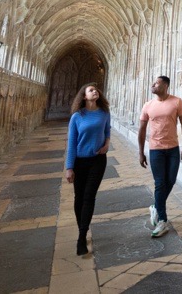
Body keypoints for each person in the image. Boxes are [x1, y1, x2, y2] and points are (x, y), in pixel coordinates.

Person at [138, 75, 182, 237]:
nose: (153, 84)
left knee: (170, 181)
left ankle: (155, 206)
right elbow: (142, 129)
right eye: (153, 82)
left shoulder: (177, 102)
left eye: (157, 83)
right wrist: (141, 152)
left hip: (173, 148)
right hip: (156, 150)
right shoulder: (148, 105)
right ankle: (163, 221)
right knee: (160, 183)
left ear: (165, 86)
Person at [64, 83, 111, 256]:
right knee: (79, 198)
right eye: (91, 90)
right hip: (80, 161)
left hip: (98, 160)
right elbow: (71, 143)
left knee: (89, 196)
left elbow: (107, 131)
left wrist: (107, 144)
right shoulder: (77, 117)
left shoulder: (104, 112)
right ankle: (82, 228)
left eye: (96, 89)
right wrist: (69, 167)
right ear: (84, 96)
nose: (95, 91)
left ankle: (82, 236)